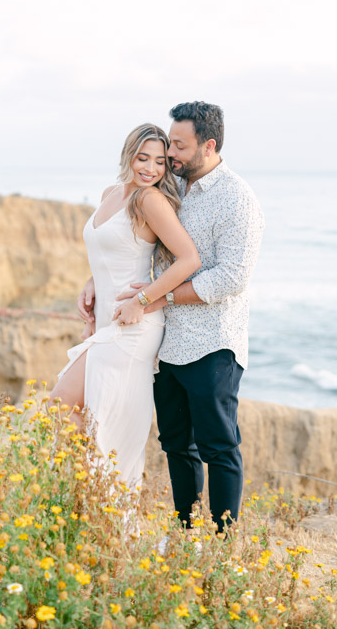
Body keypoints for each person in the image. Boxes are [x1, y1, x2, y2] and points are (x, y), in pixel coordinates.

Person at [119, 102, 264, 532]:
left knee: (219, 447)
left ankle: (223, 543)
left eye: (179, 147)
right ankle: (186, 531)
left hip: (213, 343)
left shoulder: (237, 198)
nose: (171, 154)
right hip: (165, 343)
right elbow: (143, 245)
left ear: (209, 145)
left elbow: (232, 278)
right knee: (175, 445)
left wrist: (161, 299)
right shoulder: (173, 188)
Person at [51, 124, 201, 491]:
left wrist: (143, 299)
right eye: (143, 158)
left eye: (160, 162)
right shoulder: (111, 194)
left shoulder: (149, 200)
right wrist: (91, 285)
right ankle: (93, 505)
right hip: (106, 320)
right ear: (129, 155)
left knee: (62, 405)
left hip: (133, 326)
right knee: (93, 420)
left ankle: (94, 501)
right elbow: (108, 250)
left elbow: (189, 259)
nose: (150, 168)